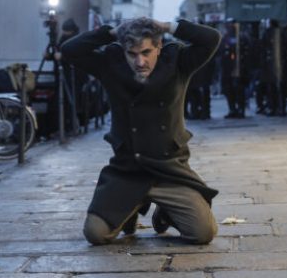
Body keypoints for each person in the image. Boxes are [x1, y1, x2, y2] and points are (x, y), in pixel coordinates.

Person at [60, 17, 221, 244]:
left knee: (203, 233)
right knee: (95, 234)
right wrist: (111, 32)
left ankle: (166, 211)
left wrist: (168, 26)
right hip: (127, 171)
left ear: (159, 47)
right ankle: (129, 209)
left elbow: (211, 39)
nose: (140, 61)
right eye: (132, 54)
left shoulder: (177, 61)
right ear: (123, 51)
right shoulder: (111, 64)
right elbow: (69, 50)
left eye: (146, 52)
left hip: (169, 170)